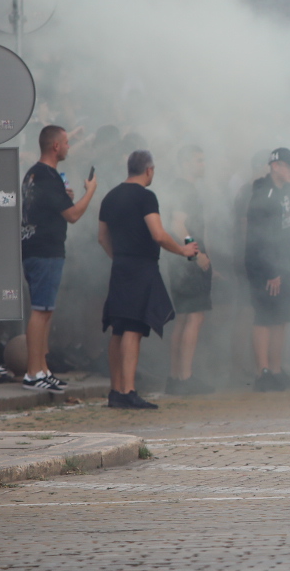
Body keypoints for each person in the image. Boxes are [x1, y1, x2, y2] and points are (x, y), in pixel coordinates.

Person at [98, 150, 206, 409]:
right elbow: (158, 234)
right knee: (133, 328)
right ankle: (128, 390)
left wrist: (119, 258)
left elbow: (102, 237)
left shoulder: (110, 196)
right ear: (149, 170)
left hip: (121, 265)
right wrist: (182, 250)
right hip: (141, 267)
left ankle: (116, 391)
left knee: (119, 328)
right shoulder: (146, 197)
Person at [17, 124, 98, 394]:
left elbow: (48, 205)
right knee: (40, 311)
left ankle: (42, 369)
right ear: (55, 146)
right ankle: (32, 373)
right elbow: (73, 216)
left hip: (35, 248)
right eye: (66, 142)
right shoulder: (47, 175)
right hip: (45, 251)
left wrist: (66, 198)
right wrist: (90, 192)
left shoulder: (33, 174)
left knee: (46, 309)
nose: (68, 147)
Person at [244, 147, 290, 391]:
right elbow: (258, 237)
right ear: (275, 166)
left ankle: (277, 369)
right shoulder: (264, 194)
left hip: (284, 263)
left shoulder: (289, 192)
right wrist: (271, 271)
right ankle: (263, 373)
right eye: (289, 166)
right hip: (264, 266)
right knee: (264, 318)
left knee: (282, 318)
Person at [163, 143, 216, 394]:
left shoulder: (183, 187)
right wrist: (196, 254)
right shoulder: (184, 188)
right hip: (187, 262)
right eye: (199, 160)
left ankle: (176, 377)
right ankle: (185, 378)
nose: (203, 165)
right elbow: (177, 224)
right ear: (185, 163)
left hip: (180, 261)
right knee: (193, 317)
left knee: (184, 318)